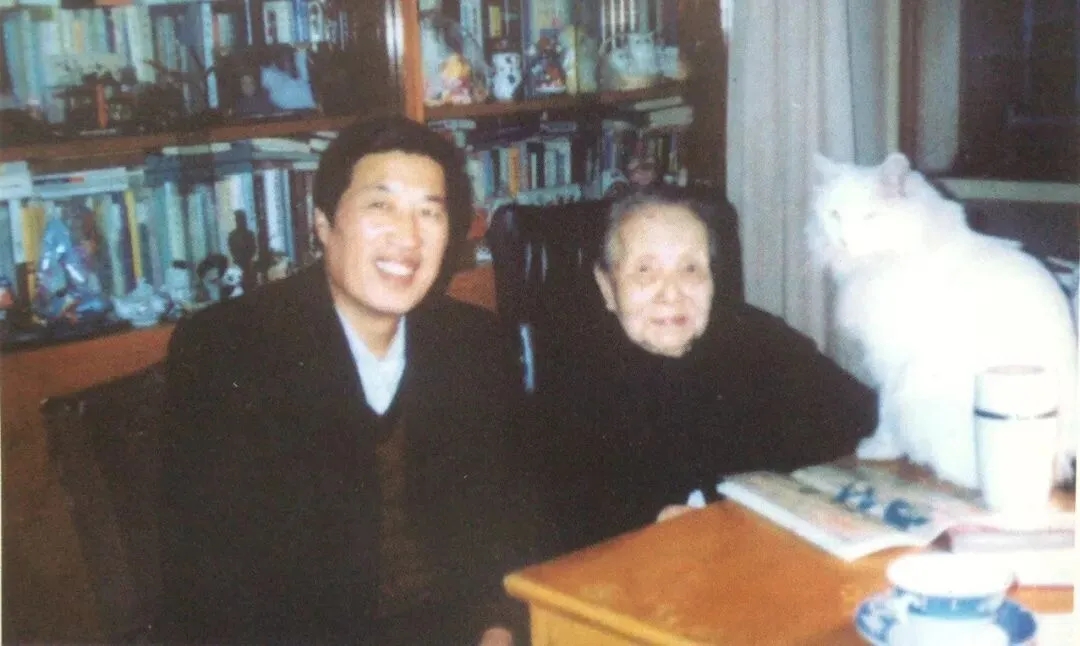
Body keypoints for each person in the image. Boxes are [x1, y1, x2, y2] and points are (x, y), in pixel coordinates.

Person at [158, 115, 542, 645]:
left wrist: (499, 627)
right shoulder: (232, 349)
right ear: (323, 224)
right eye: (380, 206)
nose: (408, 237)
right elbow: (212, 581)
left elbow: (504, 523)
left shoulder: (472, 343)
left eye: (429, 212)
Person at [539, 186, 878, 553]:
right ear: (607, 287)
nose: (671, 293)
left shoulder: (758, 338)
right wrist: (648, 523)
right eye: (645, 271)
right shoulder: (574, 386)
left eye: (690, 269)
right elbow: (563, 526)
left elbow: (864, 419)